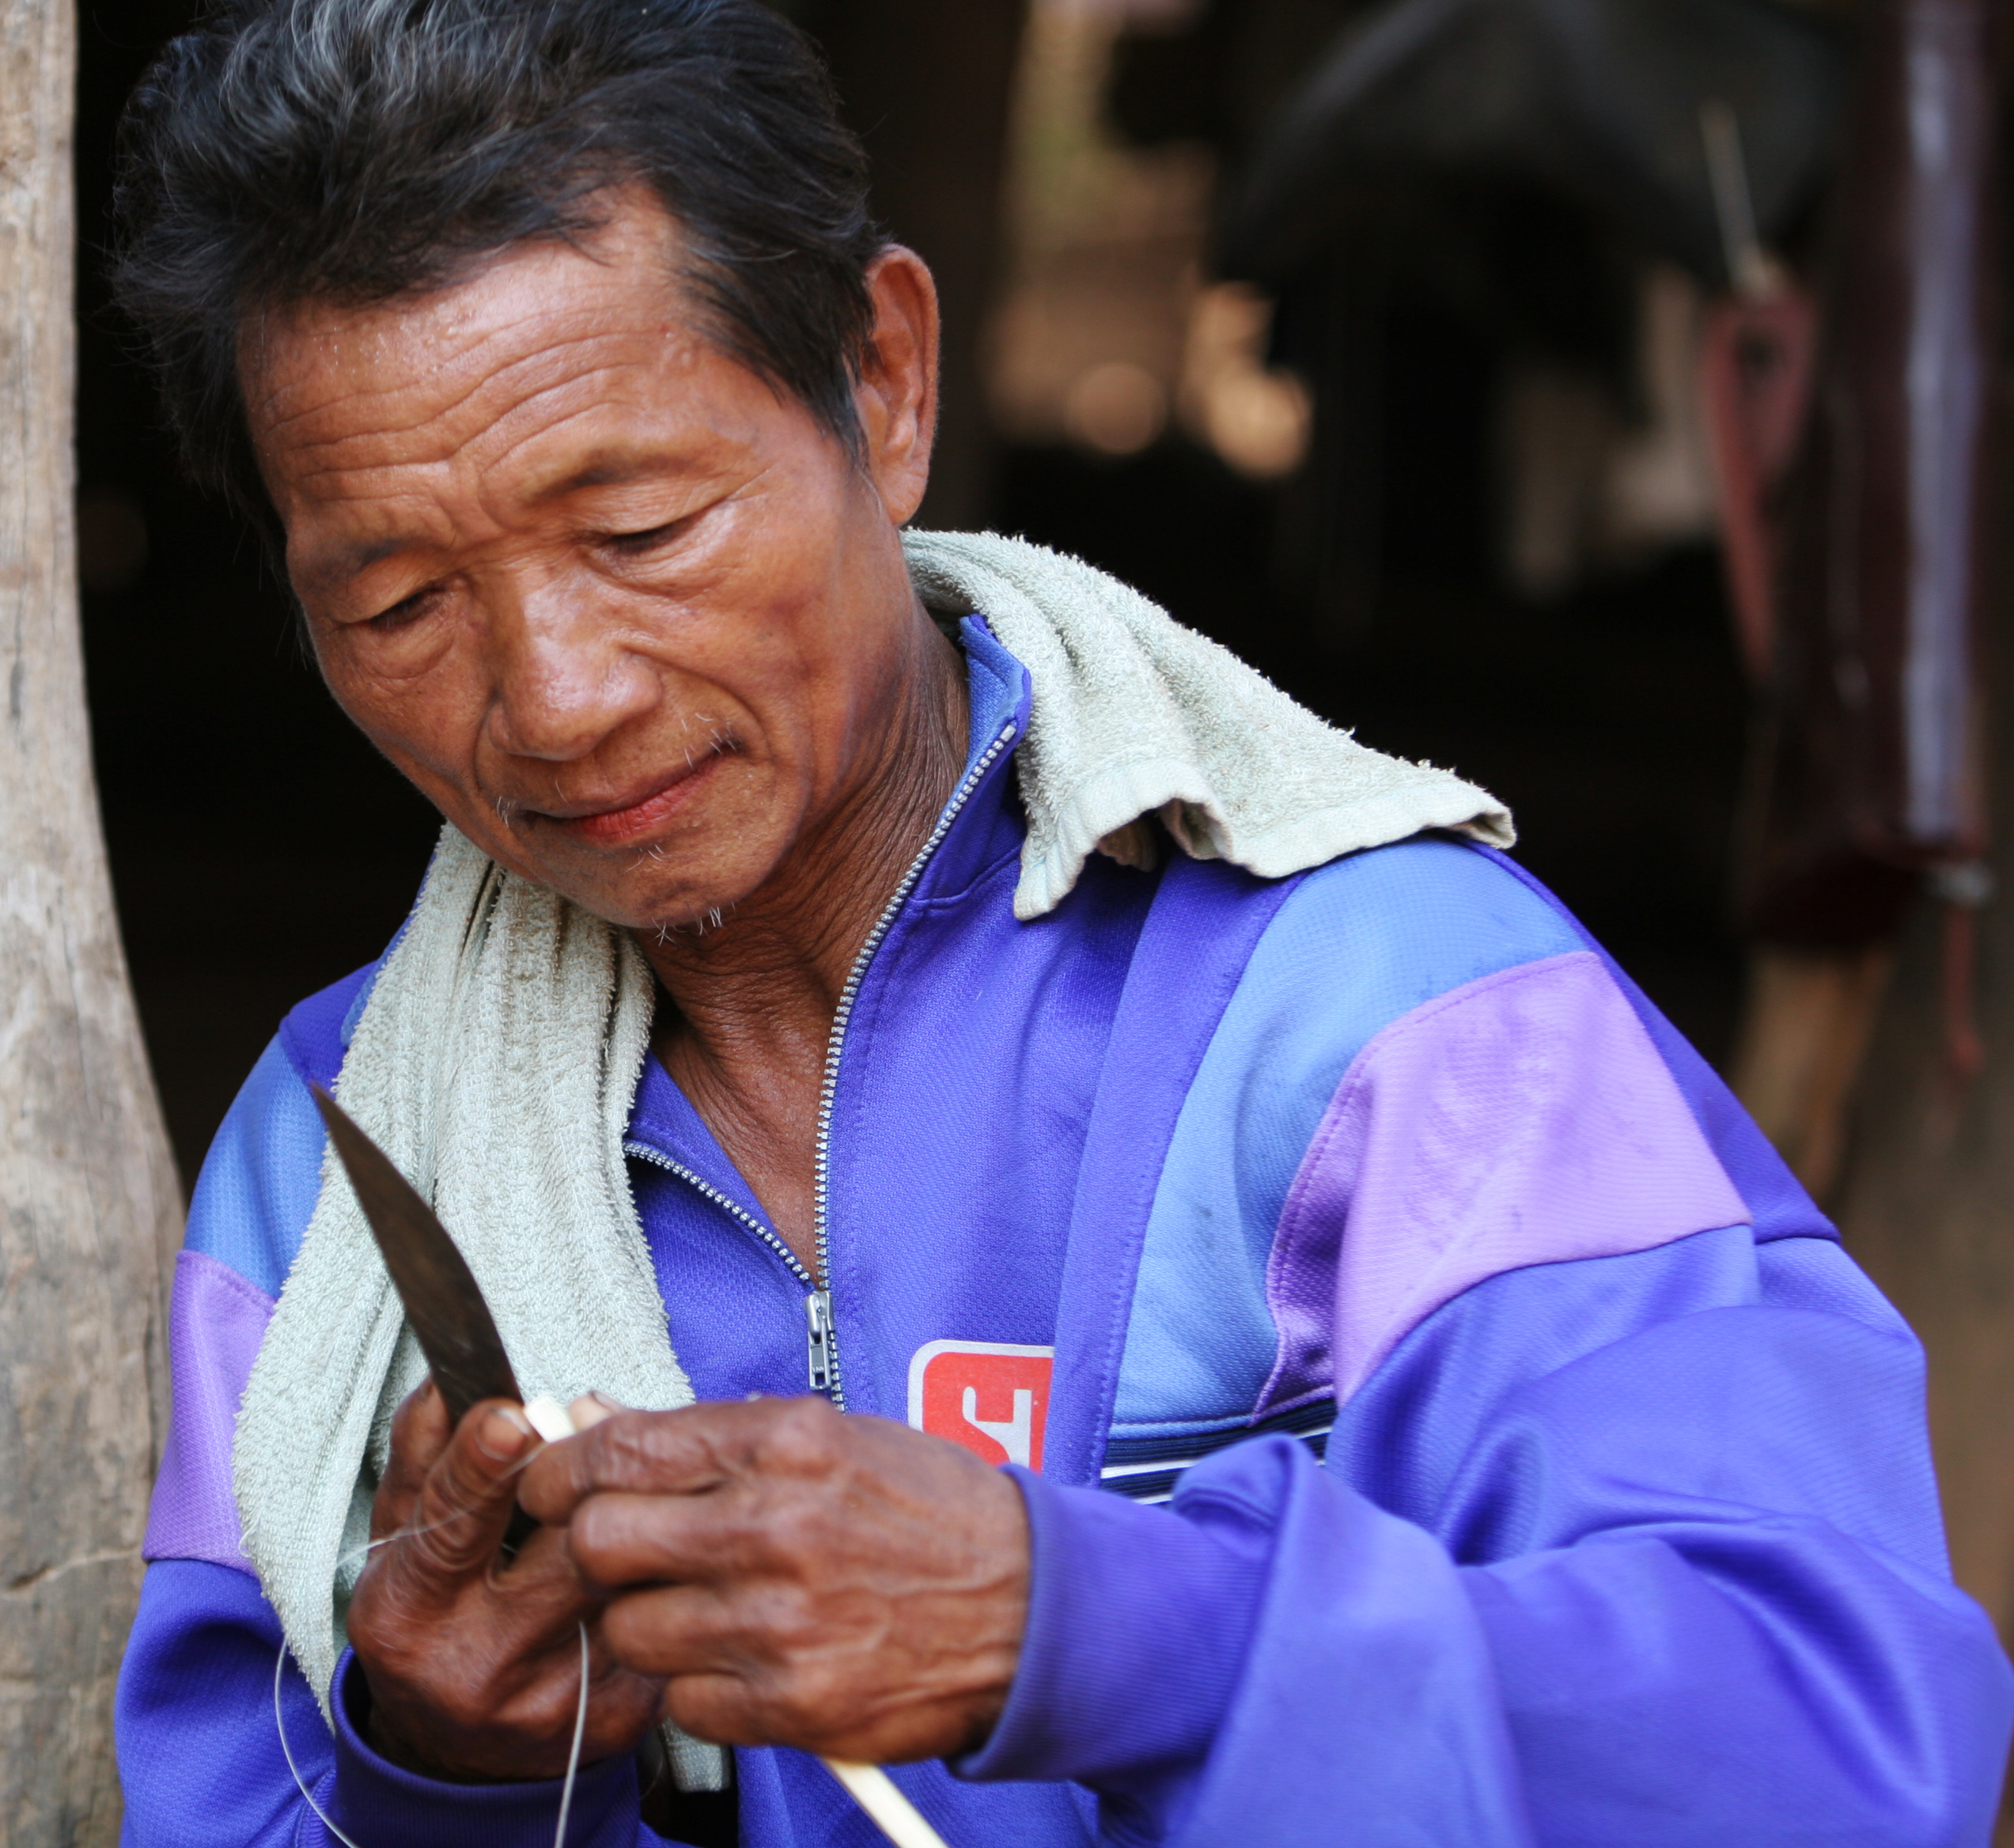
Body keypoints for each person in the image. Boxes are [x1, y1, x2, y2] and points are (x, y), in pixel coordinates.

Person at [105, 2, 2014, 1843]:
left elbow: (1825, 1744)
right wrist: (443, 1770)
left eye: (640, 532)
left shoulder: (1394, 1020)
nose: (555, 697)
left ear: (886, 381)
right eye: (399, 607)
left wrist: (1101, 1630)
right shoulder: (343, 1166)